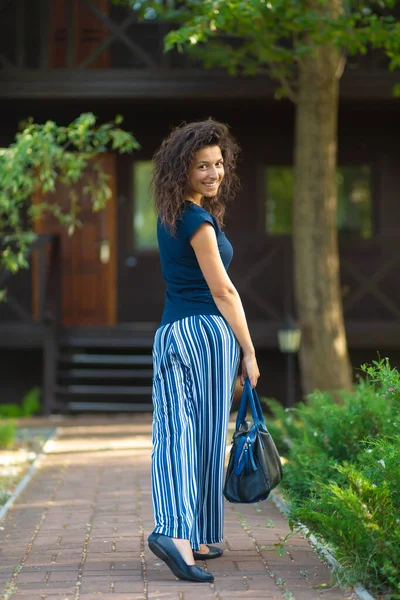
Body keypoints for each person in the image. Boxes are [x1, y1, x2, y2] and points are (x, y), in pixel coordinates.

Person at [148, 119, 260, 583]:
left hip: (174, 332)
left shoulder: (173, 214)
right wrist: (250, 353)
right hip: (204, 333)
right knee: (189, 435)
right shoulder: (197, 220)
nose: (213, 173)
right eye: (202, 166)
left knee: (192, 434)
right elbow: (225, 291)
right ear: (183, 169)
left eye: (218, 164)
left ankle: (190, 534)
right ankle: (173, 534)